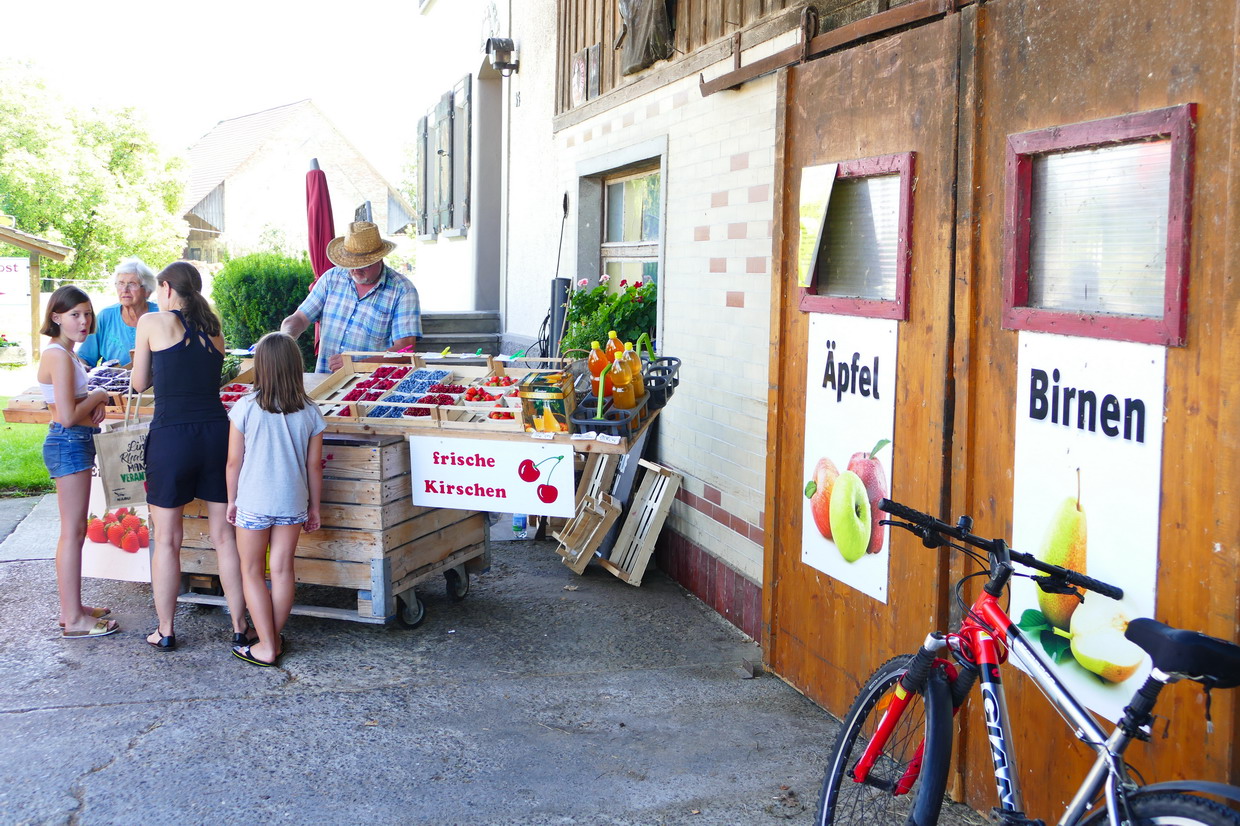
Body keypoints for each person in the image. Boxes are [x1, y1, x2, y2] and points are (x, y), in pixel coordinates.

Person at [130, 262, 249, 651]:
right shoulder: (213, 328)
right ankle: (239, 625)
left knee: (166, 539)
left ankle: (165, 630)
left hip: (171, 435)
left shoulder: (151, 321)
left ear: (165, 288)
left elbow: (138, 382)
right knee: (224, 537)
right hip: (217, 432)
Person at [226, 332, 325, 667]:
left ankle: (266, 645)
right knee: (282, 570)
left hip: (253, 500)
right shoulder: (311, 412)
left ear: (261, 368)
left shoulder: (244, 408)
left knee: (252, 570)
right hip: (292, 501)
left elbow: (233, 462)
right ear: (296, 367)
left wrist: (231, 500)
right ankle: (274, 637)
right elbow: (314, 466)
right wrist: (314, 506)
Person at [37, 286, 118, 639]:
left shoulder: (68, 355)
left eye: (87, 313)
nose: (83, 321)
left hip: (74, 441)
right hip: (67, 441)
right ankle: (73, 619)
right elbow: (67, 416)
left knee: (78, 530)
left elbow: (71, 403)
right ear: (56, 317)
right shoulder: (57, 354)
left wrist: (90, 400)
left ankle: (74, 608)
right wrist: (98, 395)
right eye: (74, 315)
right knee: (72, 533)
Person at [280, 221, 421, 373]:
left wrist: (356, 365)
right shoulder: (331, 278)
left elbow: (405, 349)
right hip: (324, 380)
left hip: (370, 388)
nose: (356, 270)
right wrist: (283, 338)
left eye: (364, 265)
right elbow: (300, 318)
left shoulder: (403, 290)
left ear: (379, 258)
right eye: (351, 263)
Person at [78, 258, 159, 368]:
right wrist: (83, 368)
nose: (125, 289)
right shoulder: (105, 317)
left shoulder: (160, 315)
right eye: (120, 283)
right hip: (113, 383)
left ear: (147, 290)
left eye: (132, 284)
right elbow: (84, 357)